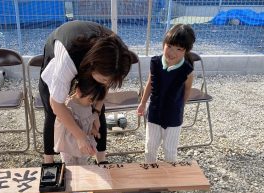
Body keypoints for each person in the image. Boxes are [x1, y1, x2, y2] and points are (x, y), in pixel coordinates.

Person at [39, 20, 133, 163]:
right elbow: (56, 104)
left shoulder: (117, 55)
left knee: (98, 112)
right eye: (103, 79)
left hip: (91, 56)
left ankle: (101, 160)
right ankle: (49, 162)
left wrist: (96, 111)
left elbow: (105, 84)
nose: (106, 84)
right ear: (91, 66)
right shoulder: (67, 60)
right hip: (64, 47)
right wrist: (80, 136)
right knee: (52, 112)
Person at [137, 24, 196, 163]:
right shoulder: (156, 62)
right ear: (164, 43)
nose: (172, 52)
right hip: (154, 112)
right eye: (169, 46)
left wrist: (181, 107)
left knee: (170, 150)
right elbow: (150, 83)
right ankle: (150, 175)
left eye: (179, 49)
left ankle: (170, 180)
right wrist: (143, 103)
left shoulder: (187, 70)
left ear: (186, 50)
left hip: (173, 116)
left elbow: (187, 90)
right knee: (150, 147)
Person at [54, 76, 106, 165]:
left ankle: (82, 176)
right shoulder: (69, 105)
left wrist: (93, 129)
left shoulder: (88, 105)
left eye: (94, 101)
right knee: (69, 164)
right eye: (90, 99)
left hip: (84, 141)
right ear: (78, 91)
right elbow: (66, 122)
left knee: (83, 162)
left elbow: (87, 120)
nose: (92, 102)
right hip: (69, 143)